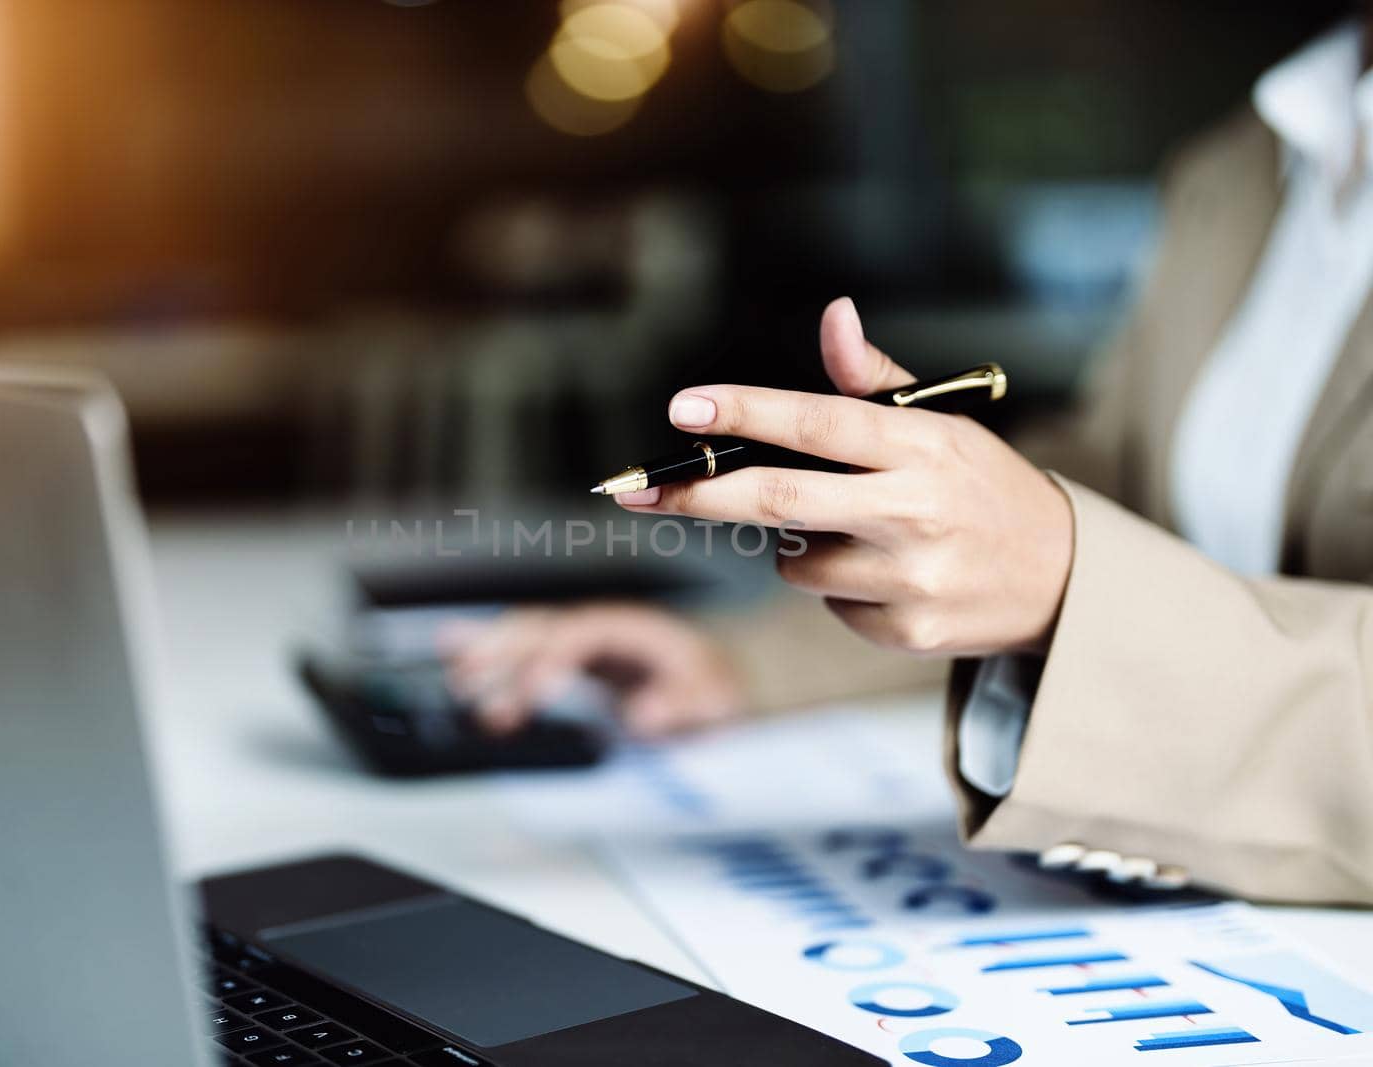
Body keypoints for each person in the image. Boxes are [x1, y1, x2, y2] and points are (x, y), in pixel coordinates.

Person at [447, 17, 1373, 906]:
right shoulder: (1248, 159)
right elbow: (1113, 481)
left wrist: (1072, 579)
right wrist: (740, 664)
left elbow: (1075, 548)